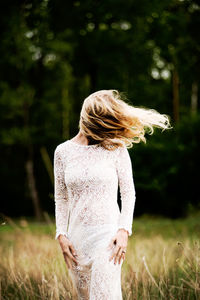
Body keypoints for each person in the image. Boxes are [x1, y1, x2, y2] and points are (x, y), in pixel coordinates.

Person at [53, 89, 171, 299]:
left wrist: (124, 230)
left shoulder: (115, 149)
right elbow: (61, 198)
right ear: (90, 119)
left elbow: (128, 193)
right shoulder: (62, 152)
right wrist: (61, 235)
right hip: (76, 240)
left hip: (108, 239)